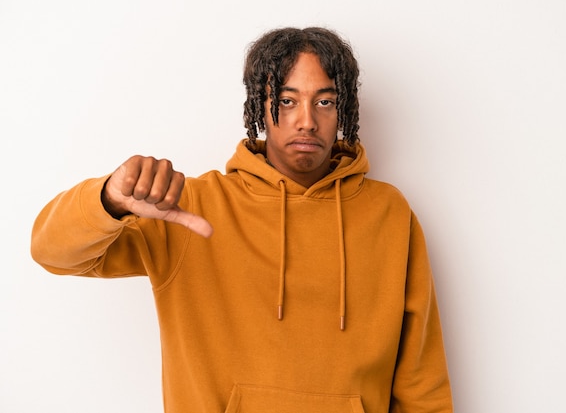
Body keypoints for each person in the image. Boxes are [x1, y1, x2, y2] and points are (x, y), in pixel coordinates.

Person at [31, 27, 453, 412]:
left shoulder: (388, 213)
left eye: (324, 101)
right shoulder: (188, 206)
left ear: (343, 109)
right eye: (286, 101)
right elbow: (52, 253)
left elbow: (421, 380)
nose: (306, 120)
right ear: (259, 105)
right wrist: (108, 200)